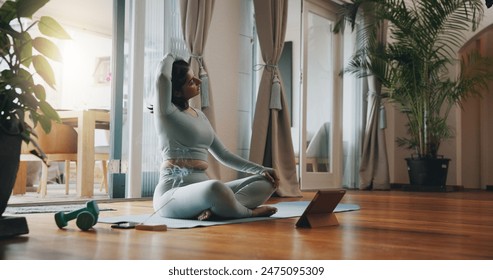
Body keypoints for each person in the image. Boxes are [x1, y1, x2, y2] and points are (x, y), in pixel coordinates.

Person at [150, 53, 279, 221]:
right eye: (191, 81)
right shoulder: (166, 113)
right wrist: (170, 56)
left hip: (203, 190)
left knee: (268, 182)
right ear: (176, 91)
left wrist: (260, 169)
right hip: (172, 195)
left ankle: (220, 209)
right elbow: (162, 77)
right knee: (215, 188)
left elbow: (223, 155)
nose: (199, 82)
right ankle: (247, 212)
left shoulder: (200, 116)